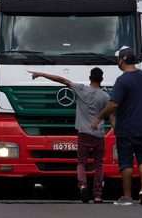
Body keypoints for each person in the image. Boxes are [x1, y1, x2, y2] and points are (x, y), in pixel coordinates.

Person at [29, 67, 111, 204]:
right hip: (98, 134)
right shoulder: (105, 96)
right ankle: (97, 195)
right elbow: (111, 112)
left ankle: (83, 185)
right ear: (101, 79)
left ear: (90, 78)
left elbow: (62, 80)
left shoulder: (81, 89)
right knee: (99, 165)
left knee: (81, 162)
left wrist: (41, 74)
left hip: (84, 133)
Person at [92, 47, 142, 206]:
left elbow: (113, 104)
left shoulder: (122, 80)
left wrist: (99, 117)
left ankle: (127, 197)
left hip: (126, 127)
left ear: (123, 60)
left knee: (126, 162)